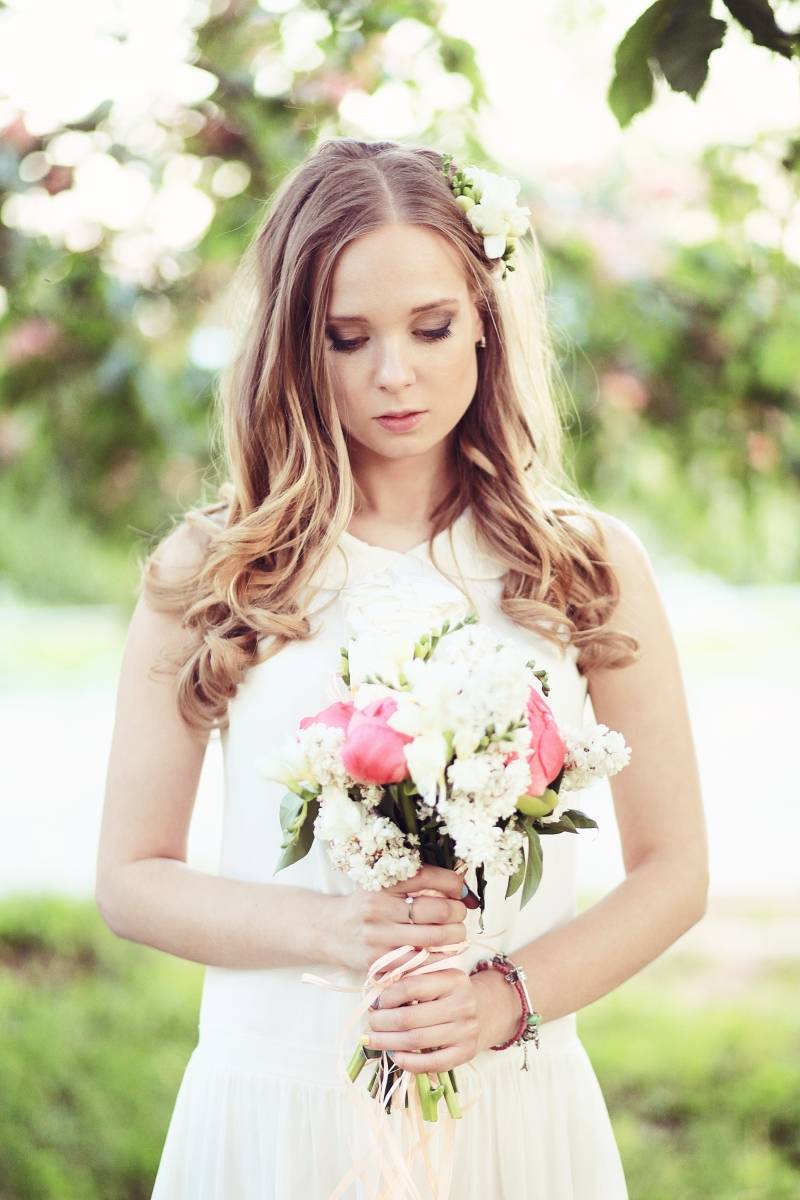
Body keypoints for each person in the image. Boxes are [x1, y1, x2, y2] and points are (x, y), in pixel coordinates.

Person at [95, 137, 709, 1199]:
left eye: (430, 327)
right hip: (278, 1098)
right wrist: (329, 930)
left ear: (483, 318)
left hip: (508, 1103)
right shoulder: (214, 569)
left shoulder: (583, 563)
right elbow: (131, 878)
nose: (394, 374)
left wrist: (503, 999)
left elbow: (675, 872)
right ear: (297, 345)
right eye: (347, 338)